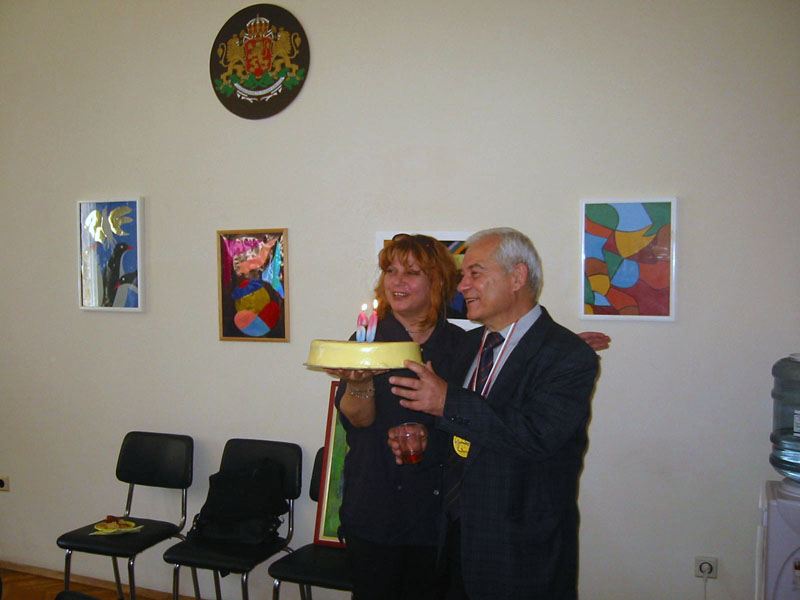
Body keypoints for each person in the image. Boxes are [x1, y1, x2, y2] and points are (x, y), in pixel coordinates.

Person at [388, 227, 600, 600]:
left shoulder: (567, 355)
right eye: (462, 275)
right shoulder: (467, 345)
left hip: (519, 553)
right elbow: (469, 432)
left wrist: (447, 402)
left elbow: (536, 435)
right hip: (453, 543)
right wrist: (428, 436)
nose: (462, 286)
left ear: (517, 277)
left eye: (475, 273)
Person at [329, 233, 467, 600]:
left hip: (435, 513)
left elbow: (475, 424)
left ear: (436, 281)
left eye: (411, 272)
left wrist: (431, 434)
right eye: (391, 270)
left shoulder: (459, 346)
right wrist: (359, 383)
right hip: (375, 505)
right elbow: (356, 421)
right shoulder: (367, 340)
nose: (397, 281)